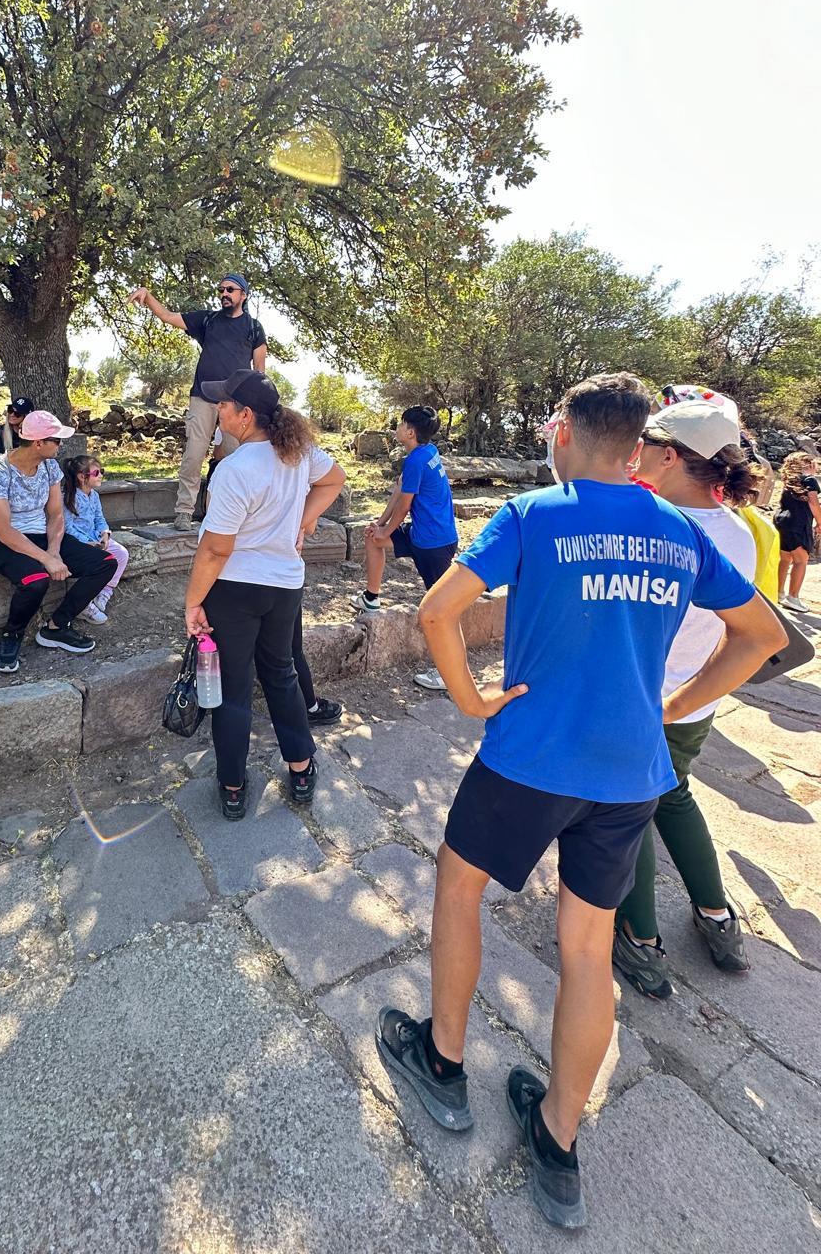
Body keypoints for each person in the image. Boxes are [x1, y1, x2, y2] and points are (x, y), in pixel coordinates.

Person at [374, 373, 782, 1230]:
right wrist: (674, 703)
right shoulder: (681, 530)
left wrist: (469, 699)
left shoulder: (532, 514)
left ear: (562, 432)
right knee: (588, 948)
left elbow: (440, 609)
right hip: (630, 773)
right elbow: (766, 636)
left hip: (528, 759)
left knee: (459, 887)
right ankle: (557, 1138)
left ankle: (442, 1064)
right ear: (639, 450)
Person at [611, 395, 762, 998]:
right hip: (695, 702)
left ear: (669, 456)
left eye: (644, 446)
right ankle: (718, 919)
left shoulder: (656, 525)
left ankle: (640, 940)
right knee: (675, 797)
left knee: (631, 814)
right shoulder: (740, 531)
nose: (634, 454)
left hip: (641, 701)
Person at [183, 369, 346, 819]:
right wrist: (304, 521)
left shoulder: (234, 470)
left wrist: (193, 601)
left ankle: (233, 785)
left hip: (235, 588)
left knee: (234, 687)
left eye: (224, 403)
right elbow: (336, 479)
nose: (218, 409)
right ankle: (300, 766)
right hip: (284, 586)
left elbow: (216, 548)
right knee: (281, 673)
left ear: (244, 414)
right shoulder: (298, 453)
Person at [128, 275, 268, 530]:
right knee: (194, 455)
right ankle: (184, 512)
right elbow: (169, 317)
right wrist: (147, 297)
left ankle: (233, 514)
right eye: (221, 289)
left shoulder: (254, 328)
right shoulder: (208, 320)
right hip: (203, 397)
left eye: (230, 289)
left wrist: (257, 405)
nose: (224, 293)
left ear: (243, 295)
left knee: (238, 458)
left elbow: (259, 371)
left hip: (237, 404)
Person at [0, 410, 115, 671]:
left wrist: (54, 550)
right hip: (0, 541)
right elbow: (4, 530)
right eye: (56, 440)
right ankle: (12, 636)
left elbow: (55, 515)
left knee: (106, 563)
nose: (60, 446)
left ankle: (57, 626)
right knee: (35, 580)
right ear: (39, 443)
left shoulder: (50, 467)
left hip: (42, 534)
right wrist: (46, 560)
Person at [349, 405, 457, 692]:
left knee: (440, 609)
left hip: (434, 542)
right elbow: (400, 490)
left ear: (409, 432)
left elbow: (405, 505)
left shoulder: (417, 461)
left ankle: (449, 674)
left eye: (400, 423)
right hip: (424, 535)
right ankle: (371, 597)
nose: (396, 427)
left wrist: (388, 526)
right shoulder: (426, 452)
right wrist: (380, 525)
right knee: (374, 539)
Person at [60, 454, 129, 624]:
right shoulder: (68, 497)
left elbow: (100, 518)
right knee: (96, 564)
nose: (101, 475)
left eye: (102, 471)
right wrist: (87, 542)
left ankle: (104, 592)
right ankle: (85, 604)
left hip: (96, 538)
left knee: (121, 554)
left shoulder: (94, 496)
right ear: (82, 477)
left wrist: (105, 534)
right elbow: (68, 526)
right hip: (78, 543)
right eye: (97, 473)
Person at [773, 451, 821, 611]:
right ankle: (793, 597)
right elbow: (813, 502)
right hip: (798, 523)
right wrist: (820, 522)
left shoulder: (790, 481)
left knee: (785, 559)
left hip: (782, 520)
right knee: (801, 560)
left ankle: (779, 593)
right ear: (808, 465)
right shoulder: (809, 480)